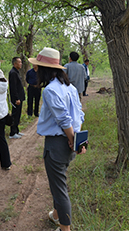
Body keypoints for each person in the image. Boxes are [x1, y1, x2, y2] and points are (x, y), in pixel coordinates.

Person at [29, 47, 86, 231]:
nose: (36, 70)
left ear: (45, 69)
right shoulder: (70, 88)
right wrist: (75, 140)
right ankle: (56, 215)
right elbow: (79, 116)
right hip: (69, 142)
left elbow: (63, 119)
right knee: (58, 182)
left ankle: (65, 228)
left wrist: (70, 138)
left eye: (38, 67)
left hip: (57, 144)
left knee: (60, 190)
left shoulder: (50, 90)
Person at [8, 56, 26, 139]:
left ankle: (16, 131)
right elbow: (13, 87)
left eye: (21, 62)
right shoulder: (13, 73)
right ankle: (12, 133)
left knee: (18, 114)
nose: (21, 64)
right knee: (15, 115)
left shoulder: (16, 72)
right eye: (19, 62)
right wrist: (16, 98)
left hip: (19, 97)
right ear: (15, 64)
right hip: (16, 99)